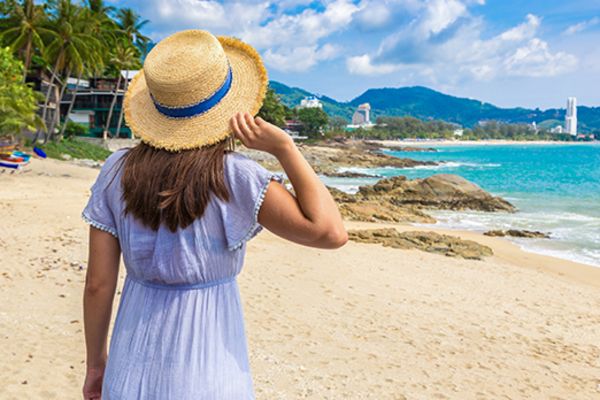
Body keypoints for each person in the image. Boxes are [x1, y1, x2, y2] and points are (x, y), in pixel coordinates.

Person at [81, 30, 346, 399]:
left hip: (131, 361)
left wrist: (96, 366)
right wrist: (285, 148)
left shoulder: (115, 171)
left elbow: (98, 284)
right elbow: (330, 232)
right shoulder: (235, 176)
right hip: (210, 368)